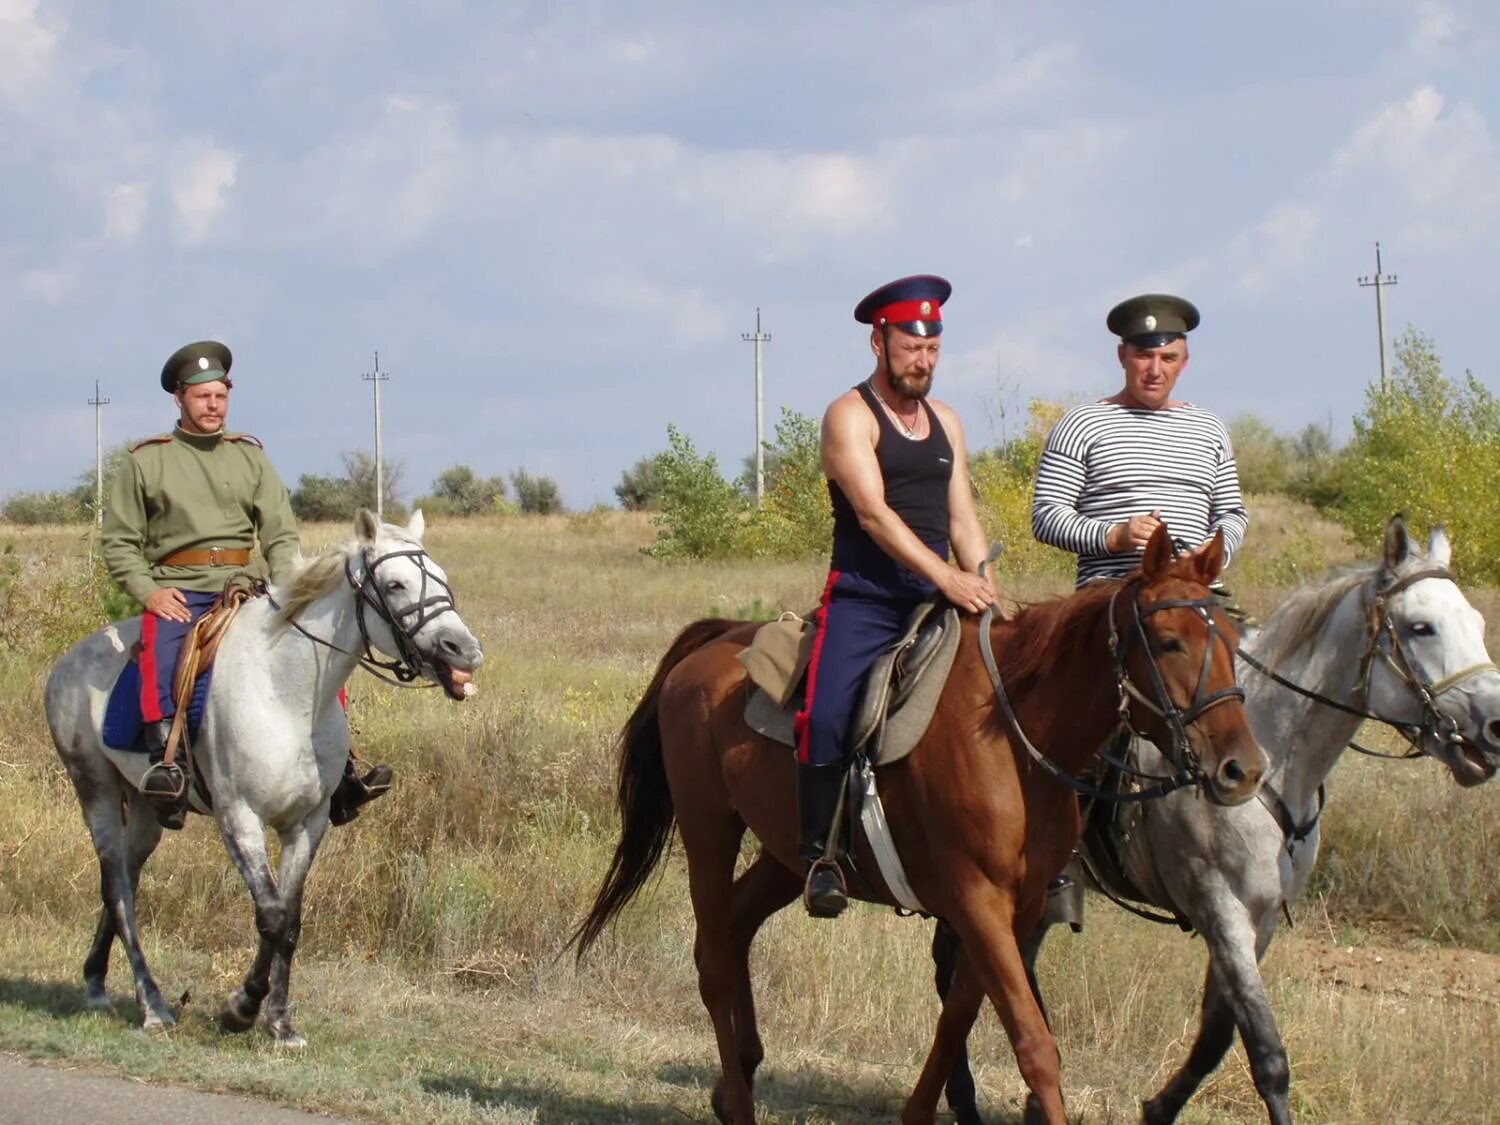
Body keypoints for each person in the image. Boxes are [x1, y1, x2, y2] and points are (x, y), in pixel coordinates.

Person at [102, 340, 393, 830]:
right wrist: (149, 591)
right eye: (202, 397)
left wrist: (290, 592)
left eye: (220, 395)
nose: (213, 405)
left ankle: (341, 768)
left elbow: (280, 533)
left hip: (246, 586)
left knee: (316, 648)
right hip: (180, 589)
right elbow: (119, 542)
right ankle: (165, 766)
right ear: (179, 399)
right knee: (161, 649)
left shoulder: (251, 457)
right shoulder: (145, 462)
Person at [797, 275, 998, 918]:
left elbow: (962, 517)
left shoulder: (948, 421)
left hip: (941, 596)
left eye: (933, 349)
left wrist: (985, 585)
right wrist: (947, 579)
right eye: (911, 346)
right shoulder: (849, 415)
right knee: (827, 713)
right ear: (878, 341)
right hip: (866, 598)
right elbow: (874, 515)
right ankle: (822, 856)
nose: (924, 361)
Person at [1031, 293, 1248, 589]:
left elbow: (1232, 514)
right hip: (1110, 599)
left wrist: (1211, 551)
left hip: (1194, 597)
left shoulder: (1209, 428)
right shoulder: (1081, 424)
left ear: (1184, 363)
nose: (1155, 371)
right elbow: (1047, 516)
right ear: (1122, 356)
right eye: (1144, 356)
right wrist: (1114, 536)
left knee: (1257, 636)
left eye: (1168, 358)